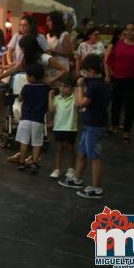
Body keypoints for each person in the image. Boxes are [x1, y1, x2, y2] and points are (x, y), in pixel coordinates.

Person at [59, 54, 110, 199]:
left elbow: (80, 104)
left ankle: (96, 188)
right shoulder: (98, 83)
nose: (83, 74)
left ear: (92, 71)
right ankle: (77, 179)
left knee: (94, 156)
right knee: (82, 152)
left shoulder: (96, 86)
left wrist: (80, 87)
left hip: (95, 125)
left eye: (85, 71)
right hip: (90, 123)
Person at [0, 35, 68, 88]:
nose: (22, 51)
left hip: (51, 88)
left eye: (23, 49)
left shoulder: (46, 58)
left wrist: (53, 80)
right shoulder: (26, 59)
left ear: (28, 49)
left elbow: (64, 70)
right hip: (39, 86)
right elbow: (15, 69)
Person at [14, 63, 50, 174]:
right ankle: (34, 163)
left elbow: (20, 98)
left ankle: (21, 162)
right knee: (37, 143)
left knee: (24, 142)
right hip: (38, 119)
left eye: (27, 75)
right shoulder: (46, 89)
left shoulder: (26, 87)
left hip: (25, 119)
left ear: (32, 77)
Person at [48, 73, 77, 179]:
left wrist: (77, 91)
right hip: (59, 127)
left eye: (66, 86)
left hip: (71, 128)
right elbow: (51, 110)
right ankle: (57, 169)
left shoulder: (74, 98)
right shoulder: (56, 98)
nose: (62, 88)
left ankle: (71, 169)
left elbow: (78, 105)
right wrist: (49, 97)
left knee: (70, 149)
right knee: (59, 149)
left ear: (72, 88)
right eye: (61, 85)